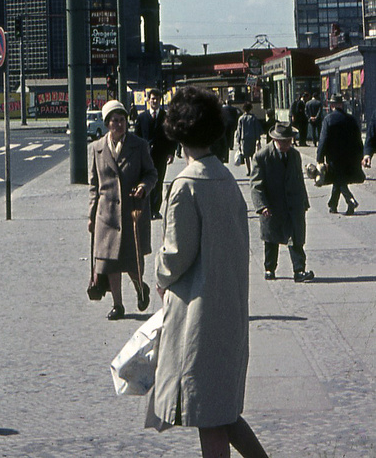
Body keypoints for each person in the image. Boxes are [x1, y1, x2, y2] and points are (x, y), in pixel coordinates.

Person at [147, 86, 269, 458]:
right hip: (229, 304)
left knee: (209, 415)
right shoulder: (226, 178)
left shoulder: (186, 184)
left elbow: (175, 254)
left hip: (198, 315)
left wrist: (160, 277)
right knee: (224, 410)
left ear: (178, 134)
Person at [88, 99, 157, 320]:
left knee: (132, 262)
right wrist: (91, 215)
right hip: (106, 216)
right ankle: (118, 305)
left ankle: (140, 287)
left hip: (131, 213)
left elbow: (151, 174)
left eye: (122, 120)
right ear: (107, 124)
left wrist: (143, 187)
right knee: (111, 262)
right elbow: (93, 186)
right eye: (114, 121)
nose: (119, 124)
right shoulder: (97, 148)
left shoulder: (139, 145)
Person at [250, 123, 314, 282]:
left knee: (296, 238)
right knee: (271, 239)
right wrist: (261, 205)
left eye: (289, 141)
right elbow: (256, 184)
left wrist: (304, 201)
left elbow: (299, 179)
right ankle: (269, 269)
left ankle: (299, 271)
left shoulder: (294, 155)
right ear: (274, 140)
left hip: (293, 204)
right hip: (272, 205)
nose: (286, 145)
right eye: (283, 142)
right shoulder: (262, 156)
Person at [316, 95, 364, 214]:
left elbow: (323, 139)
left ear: (331, 105)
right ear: (341, 104)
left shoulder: (328, 119)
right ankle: (333, 205)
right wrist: (360, 156)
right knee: (339, 179)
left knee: (338, 178)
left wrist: (320, 157)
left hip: (334, 156)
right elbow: (358, 139)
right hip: (350, 156)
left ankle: (350, 200)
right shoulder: (351, 119)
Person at [134, 88, 176, 218]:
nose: (155, 101)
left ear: (160, 101)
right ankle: (147, 208)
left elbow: (171, 136)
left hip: (160, 155)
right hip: (145, 155)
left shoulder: (166, 117)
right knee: (145, 181)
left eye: (157, 99)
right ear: (148, 100)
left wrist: (171, 153)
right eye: (152, 99)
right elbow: (137, 136)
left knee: (158, 181)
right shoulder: (142, 117)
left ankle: (155, 210)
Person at [234, 103, 261, 175]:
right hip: (252, 138)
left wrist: (238, 140)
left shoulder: (241, 118)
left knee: (246, 156)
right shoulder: (253, 118)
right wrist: (258, 139)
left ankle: (249, 170)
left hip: (244, 139)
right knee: (252, 155)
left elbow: (239, 130)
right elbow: (257, 129)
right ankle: (253, 169)